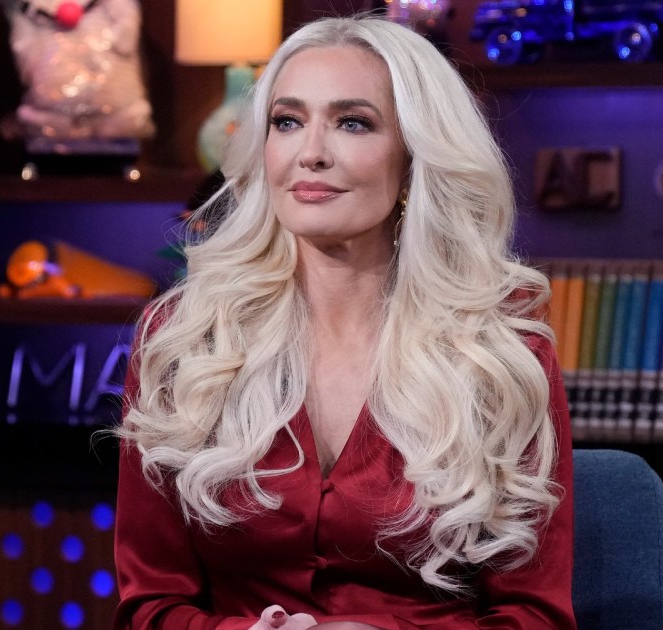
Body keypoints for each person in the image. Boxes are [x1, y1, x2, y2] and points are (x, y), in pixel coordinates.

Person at [113, 14, 574, 630]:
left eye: (352, 122)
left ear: (414, 157)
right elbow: (148, 606)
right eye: (287, 122)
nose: (310, 154)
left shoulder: (499, 351)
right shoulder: (185, 339)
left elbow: (534, 616)